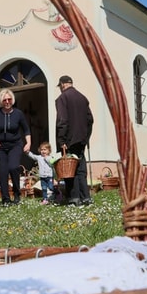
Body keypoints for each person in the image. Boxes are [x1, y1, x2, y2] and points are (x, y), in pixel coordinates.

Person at [0, 89, 32, 205]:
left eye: (9, 99)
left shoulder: (18, 113)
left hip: (15, 145)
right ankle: (5, 199)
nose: (7, 102)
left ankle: (17, 194)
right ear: (1, 101)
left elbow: (26, 130)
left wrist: (28, 143)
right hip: (0, 147)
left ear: (12, 100)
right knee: (2, 171)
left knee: (13, 167)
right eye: (5, 100)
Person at [55, 75, 93, 206]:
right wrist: (86, 137)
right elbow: (90, 120)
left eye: (60, 86)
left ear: (63, 84)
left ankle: (74, 198)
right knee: (81, 169)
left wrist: (61, 140)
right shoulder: (83, 98)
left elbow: (62, 120)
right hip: (81, 139)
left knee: (69, 169)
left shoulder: (62, 98)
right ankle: (86, 197)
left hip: (69, 139)